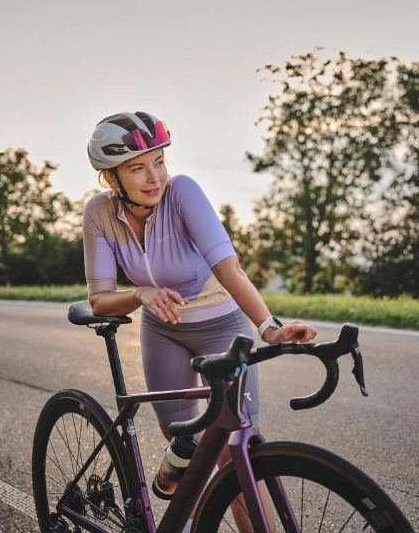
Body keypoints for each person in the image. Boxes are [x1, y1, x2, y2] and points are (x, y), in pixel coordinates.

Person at [82, 110, 318, 531]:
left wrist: (268, 327)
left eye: (159, 161)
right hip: (163, 332)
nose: (154, 176)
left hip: (222, 326)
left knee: (235, 450)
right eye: (137, 168)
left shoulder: (182, 193)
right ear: (111, 178)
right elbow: (100, 300)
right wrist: (141, 294)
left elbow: (231, 270)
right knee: (182, 440)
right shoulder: (100, 213)